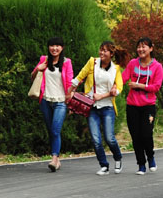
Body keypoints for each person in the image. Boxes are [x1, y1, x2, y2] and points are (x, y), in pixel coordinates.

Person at [68, 41, 128, 175]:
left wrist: (107, 94)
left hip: (107, 107)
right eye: (101, 50)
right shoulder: (92, 63)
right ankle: (104, 165)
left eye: (105, 51)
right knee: (95, 139)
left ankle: (118, 158)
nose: (101, 53)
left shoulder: (116, 69)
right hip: (92, 107)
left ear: (111, 54)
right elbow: (79, 78)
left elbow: (119, 87)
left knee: (109, 137)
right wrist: (69, 94)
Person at [30, 36, 73, 172]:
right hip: (45, 100)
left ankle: (54, 158)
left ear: (62, 48)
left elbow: (71, 82)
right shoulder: (44, 60)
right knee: (51, 131)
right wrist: (39, 68)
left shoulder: (67, 62)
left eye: (58, 46)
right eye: (52, 46)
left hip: (60, 101)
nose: (55, 48)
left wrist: (70, 101)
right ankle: (57, 159)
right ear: (48, 47)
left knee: (55, 129)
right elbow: (32, 77)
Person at [122, 37, 163, 175]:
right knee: (135, 136)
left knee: (146, 134)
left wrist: (139, 85)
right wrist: (113, 86)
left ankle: (150, 157)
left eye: (144, 46)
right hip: (132, 105)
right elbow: (122, 78)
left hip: (148, 106)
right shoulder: (133, 64)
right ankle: (141, 164)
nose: (140, 49)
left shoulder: (157, 67)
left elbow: (156, 87)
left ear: (151, 48)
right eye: (139, 47)